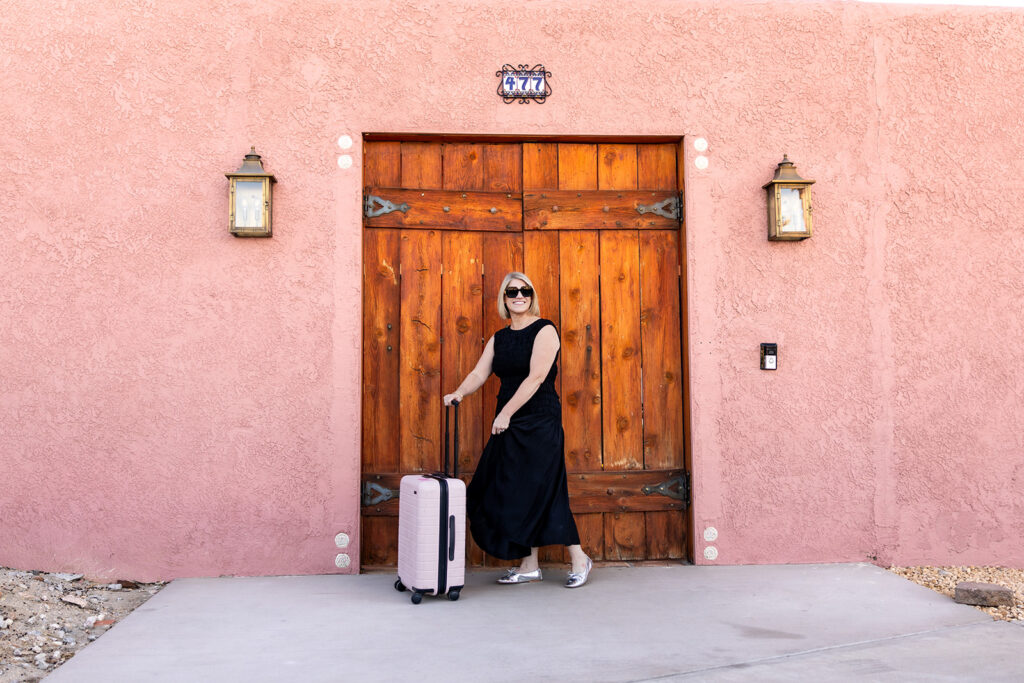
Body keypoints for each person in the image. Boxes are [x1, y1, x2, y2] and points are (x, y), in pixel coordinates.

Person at [443, 272, 593, 588]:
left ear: (531, 295)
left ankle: (579, 557)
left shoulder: (545, 330)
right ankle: (529, 564)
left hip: (538, 420)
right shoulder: (500, 337)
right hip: (509, 421)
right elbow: (478, 372)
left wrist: (506, 414)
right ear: (505, 298)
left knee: (545, 488)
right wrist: (459, 391)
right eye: (512, 291)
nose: (519, 295)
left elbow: (536, 377)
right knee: (505, 487)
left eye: (525, 290)